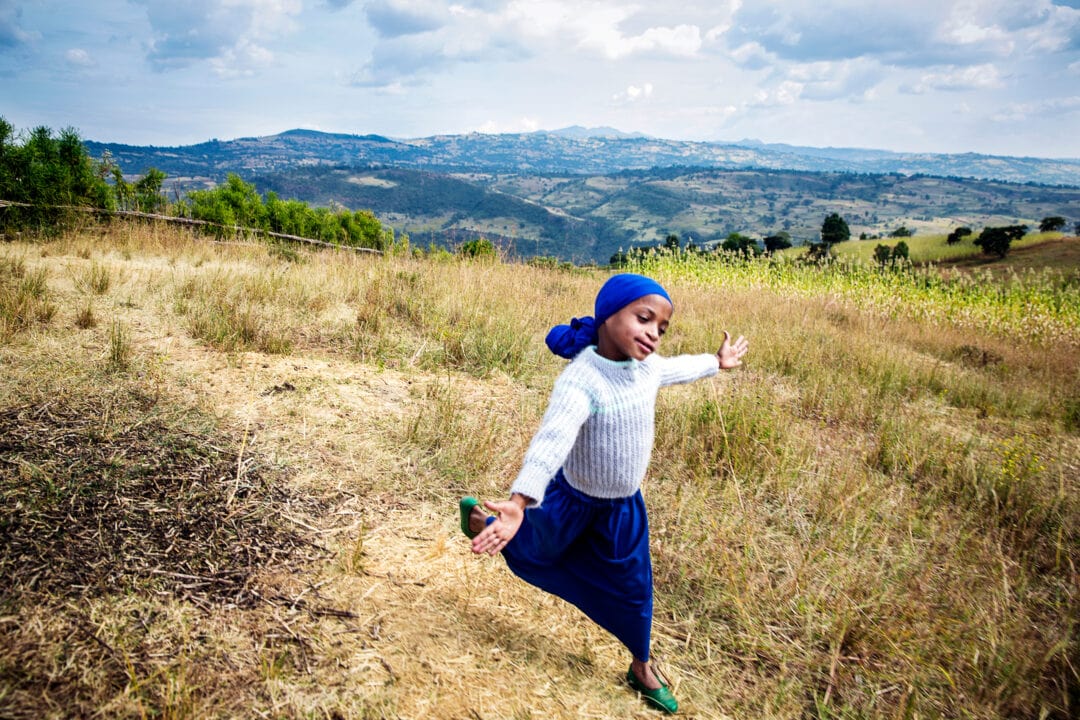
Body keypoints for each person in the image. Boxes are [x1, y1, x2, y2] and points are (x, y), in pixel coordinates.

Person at [459, 273, 748, 714]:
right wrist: (518, 502)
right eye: (644, 318)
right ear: (608, 315)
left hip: (623, 510)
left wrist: (716, 361)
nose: (653, 333)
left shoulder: (647, 369)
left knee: (635, 590)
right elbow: (551, 442)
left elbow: (678, 369)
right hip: (573, 503)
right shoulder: (582, 381)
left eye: (662, 327)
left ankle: (641, 667)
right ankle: (484, 520)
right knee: (535, 548)